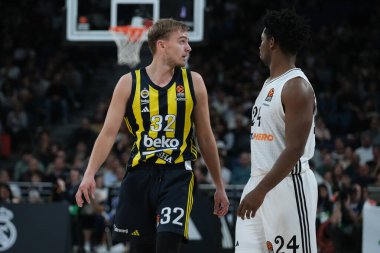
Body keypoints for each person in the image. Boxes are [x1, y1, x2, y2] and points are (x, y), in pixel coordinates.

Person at [76, 18, 229, 253]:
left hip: (177, 175)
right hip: (139, 176)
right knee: (141, 249)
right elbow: (107, 134)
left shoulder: (193, 82)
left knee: (167, 245)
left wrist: (219, 185)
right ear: (162, 45)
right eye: (182, 41)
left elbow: (206, 137)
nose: (188, 47)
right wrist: (89, 174)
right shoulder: (128, 83)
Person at [235, 9, 318, 253]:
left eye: (262, 39)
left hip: (289, 186)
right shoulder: (269, 83)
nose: (259, 45)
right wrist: (256, 188)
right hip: (258, 183)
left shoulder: (297, 87)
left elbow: (294, 149)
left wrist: (260, 191)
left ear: (272, 42)